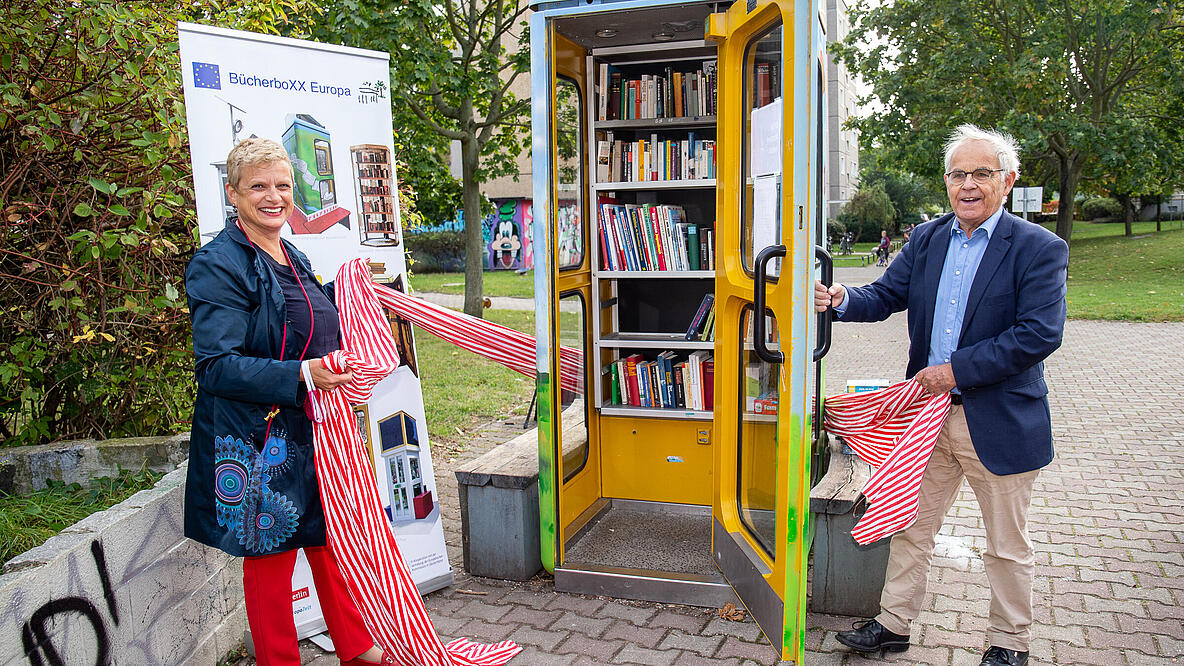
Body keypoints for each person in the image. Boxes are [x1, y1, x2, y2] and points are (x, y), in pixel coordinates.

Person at [814, 124, 1068, 666]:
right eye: (958, 174)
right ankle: (894, 624)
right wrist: (839, 297)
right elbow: (884, 295)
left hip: (998, 419)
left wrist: (954, 371)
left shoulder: (1039, 248)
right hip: (926, 418)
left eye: (982, 173)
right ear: (946, 181)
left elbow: (1038, 334)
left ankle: (1008, 644)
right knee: (910, 526)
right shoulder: (927, 238)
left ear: (1008, 180)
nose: (968, 185)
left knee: (1006, 545)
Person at [185, 138, 391, 666]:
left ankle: (356, 646)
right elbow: (215, 366)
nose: (273, 197)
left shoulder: (291, 252)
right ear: (233, 194)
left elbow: (312, 321)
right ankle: (279, 660)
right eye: (258, 186)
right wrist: (303, 372)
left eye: (281, 186)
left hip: (311, 425)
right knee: (271, 558)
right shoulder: (217, 264)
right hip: (257, 435)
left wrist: (358, 300)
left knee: (331, 541)